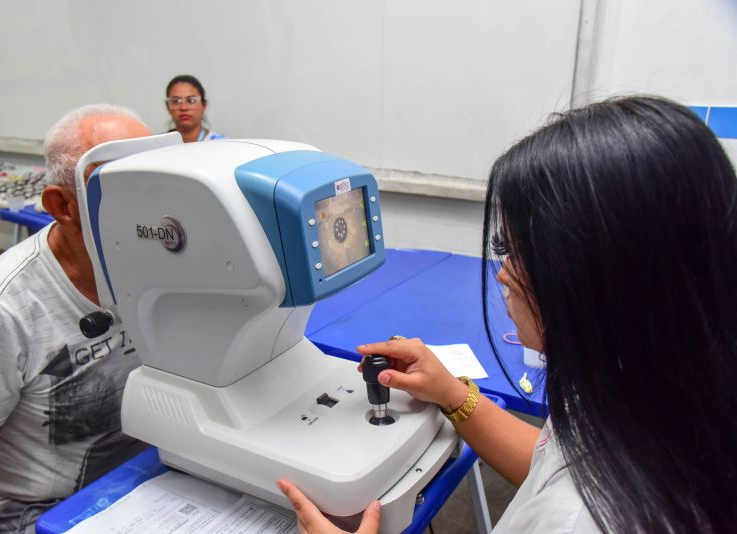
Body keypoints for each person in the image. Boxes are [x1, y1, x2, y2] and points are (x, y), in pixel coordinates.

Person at [278, 96, 737, 533]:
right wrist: (454, 396)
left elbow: (565, 493)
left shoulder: (582, 520)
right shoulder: (649, 391)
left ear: (593, 279)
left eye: (514, 254)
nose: (503, 275)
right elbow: (550, 463)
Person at [0, 104, 153, 533]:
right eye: (126, 189)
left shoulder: (157, 263)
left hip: (144, 478)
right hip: (44, 512)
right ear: (64, 207)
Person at [165, 74, 225, 143]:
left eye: (191, 100)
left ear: (203, 105)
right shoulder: (158, 147)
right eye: (176, 101)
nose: (183, 107)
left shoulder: (221, 144)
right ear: (168, 107)